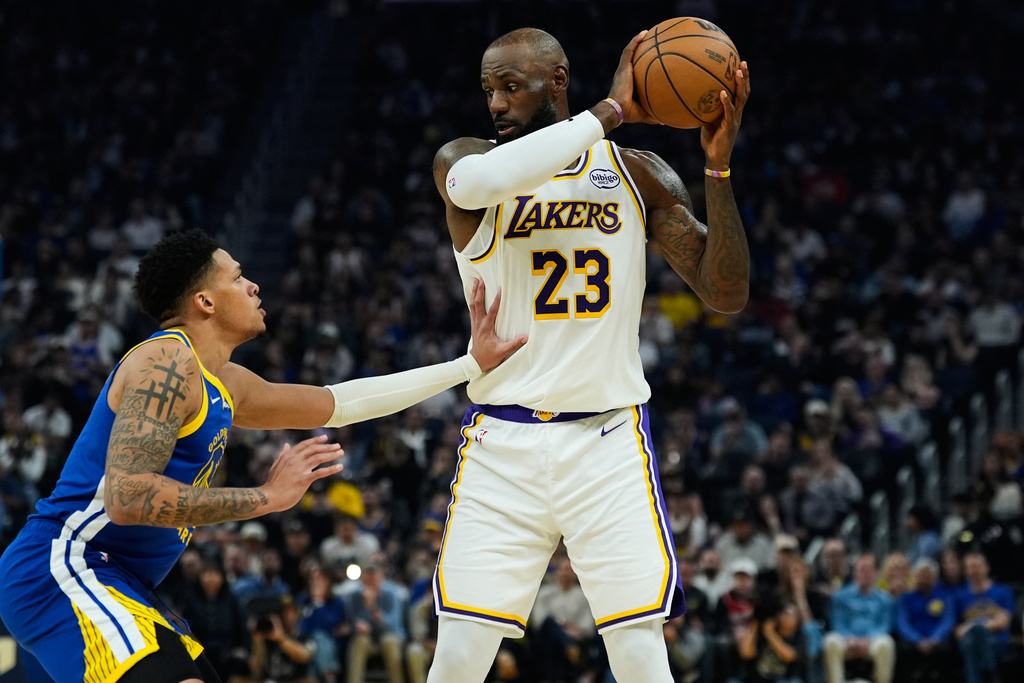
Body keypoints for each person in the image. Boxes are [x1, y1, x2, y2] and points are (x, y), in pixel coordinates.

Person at [0, 229, 524, 683]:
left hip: (121, 577)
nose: (253, 285)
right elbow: (127, 497)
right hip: (63, 562)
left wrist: (467, 366)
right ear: (204, 301)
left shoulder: (224, 382)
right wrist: (266, 498)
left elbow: (342, 404)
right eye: (237, 277)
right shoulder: (165, 361)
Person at [430, 25, 751, 683]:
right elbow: (476, 180)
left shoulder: (637, 174)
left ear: (557, 80)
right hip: (502, 445)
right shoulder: (465, 164)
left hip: (606, 441)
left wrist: (717, 167)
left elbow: (725, 292)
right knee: (459, 657)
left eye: (511, 86)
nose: (496, 103)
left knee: (639, 653)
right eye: (489, 88)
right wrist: (608, 110)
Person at [822, 554, 895, 683]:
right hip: (847, 641)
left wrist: (868, 639)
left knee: (886, 643)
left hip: (872, 642)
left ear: (876, 573)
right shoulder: (840, 596)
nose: (864, 574)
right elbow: (837, 623)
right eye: (861, 570)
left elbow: (885, 626)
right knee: (830, 641)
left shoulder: (885, 599)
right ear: (855, 572)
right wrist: (849, 638)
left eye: (868, 570)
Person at [954, 552, 1014, 683]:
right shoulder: (960, 595)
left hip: (995, 639)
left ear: (986, 567)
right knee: (970, 642)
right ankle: (990, 673)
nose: (973, 571)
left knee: (973, 641)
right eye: (969, 568)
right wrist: (977, 627)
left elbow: (1004, 622)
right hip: (967, 640)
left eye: (976, 566)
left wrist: (976, 626)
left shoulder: (1003, 591)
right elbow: (957, 630)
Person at [894, 559, 955, 683]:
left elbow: (948, 620)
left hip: (937, 640)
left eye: (928, 575)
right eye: (921, 575)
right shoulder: (906, 597)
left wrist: (934, 639)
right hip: (912, 641)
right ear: (915, 576)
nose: (924, 578)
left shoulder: (945, 596)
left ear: (934, 577)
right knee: (903, 651)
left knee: (947, 651)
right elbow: (902, 623)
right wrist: (917, 640)